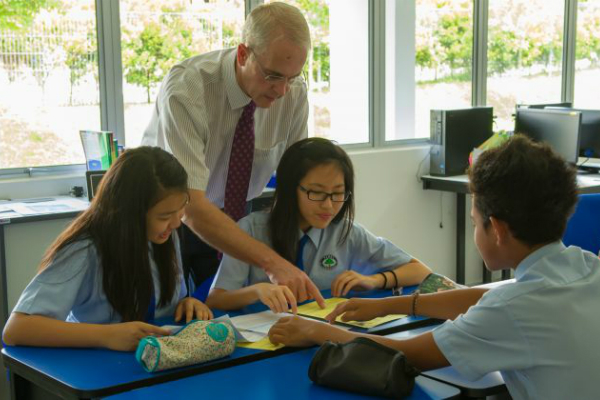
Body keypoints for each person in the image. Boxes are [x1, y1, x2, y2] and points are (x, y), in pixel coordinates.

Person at [267, 135, 600, 400]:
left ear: (496, 229)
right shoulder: (586, 265)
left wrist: (315, 331)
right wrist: (388, 304)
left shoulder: (514, 309)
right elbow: (482, 299)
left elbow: (405, 353)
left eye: (473, 221)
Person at [141, 2, 323, 309]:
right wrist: (272, 262)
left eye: (292, 77)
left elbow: (296, 181)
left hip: (240, 217)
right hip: (170, 221)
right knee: (174, 316)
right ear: (243, 54)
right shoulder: (188, 88)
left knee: (236, 317)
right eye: (273, 76)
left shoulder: (293, 92)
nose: (282, 91)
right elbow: (191, 207)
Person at [2, 147, 213, 352]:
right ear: (129, 214)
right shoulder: (84, 249)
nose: (176, 223)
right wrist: (107, 335)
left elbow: (163, 301)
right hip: (96, 369)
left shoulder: (163, 236)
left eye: (181, 210)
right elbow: (17, 329)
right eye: (164, 216)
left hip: (156, 360)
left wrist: (186, 303)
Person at [205, 138, 432, 313]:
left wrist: (373, 280)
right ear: (290, 189)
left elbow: (420, 271)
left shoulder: (346, 232)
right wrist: (256, 291)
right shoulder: (251, 230)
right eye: (316, 192)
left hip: (323, 335)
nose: (328, 205)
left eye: (337, 194)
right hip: (264, 341)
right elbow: (217, 299)